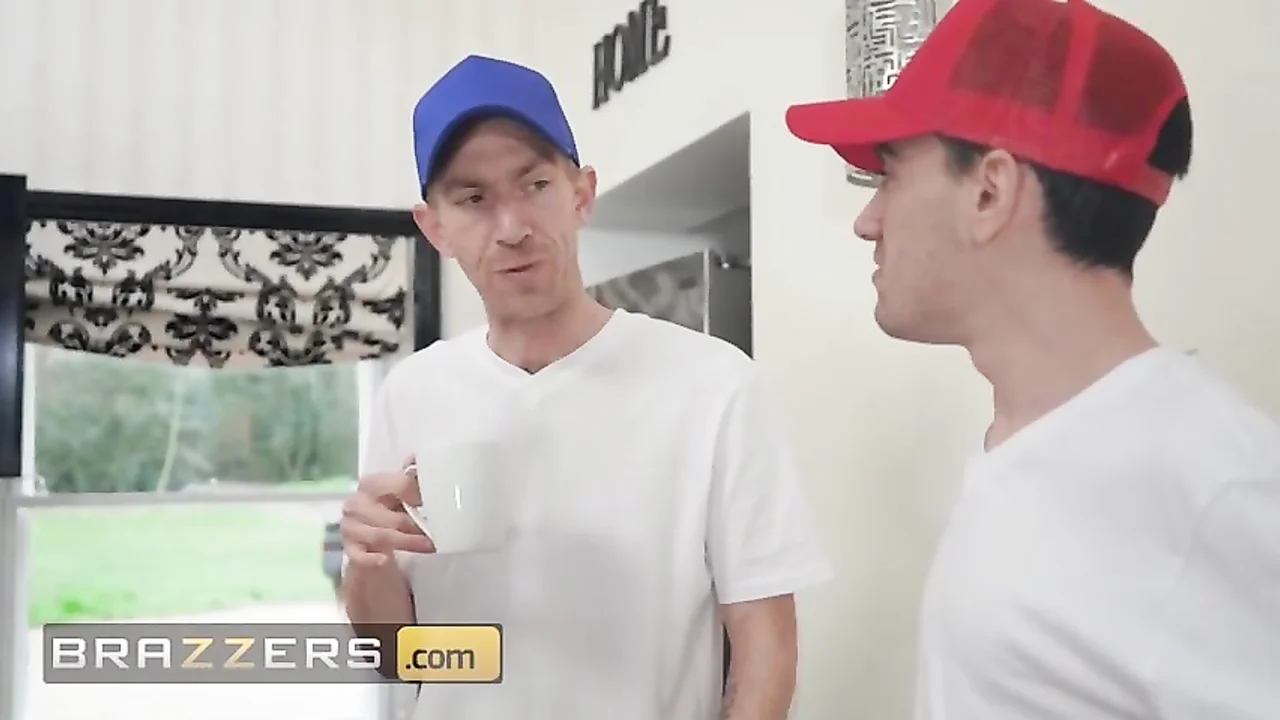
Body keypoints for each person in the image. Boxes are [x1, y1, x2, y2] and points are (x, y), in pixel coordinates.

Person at [785, 0, 1280, 718]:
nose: (868, 221)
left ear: (990, 191)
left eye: (890, 174)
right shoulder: (1028, 442)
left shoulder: (1212, 492)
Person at [339, 54, 833, 719]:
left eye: (535, 184)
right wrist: (367, 562)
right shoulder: (413, 391)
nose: (513, 228)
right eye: (473, 199)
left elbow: (765, 650)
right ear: (435, 228)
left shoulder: (713, 384)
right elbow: (396, 656)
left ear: (581, 194)